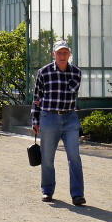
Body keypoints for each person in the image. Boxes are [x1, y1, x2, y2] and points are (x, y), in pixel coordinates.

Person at [31, 41, 85, 206]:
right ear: (53, 54)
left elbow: (71, 92)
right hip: (49, 118)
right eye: (59, 53)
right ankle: (47, 191)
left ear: (69, 54)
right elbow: (36, 98)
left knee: (74, 157)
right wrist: (35, 120)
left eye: (65, 53)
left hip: (70, 118)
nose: (62, 56)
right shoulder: (43, 72)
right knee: (47, 157)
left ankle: (77, 195)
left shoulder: (76, 73)